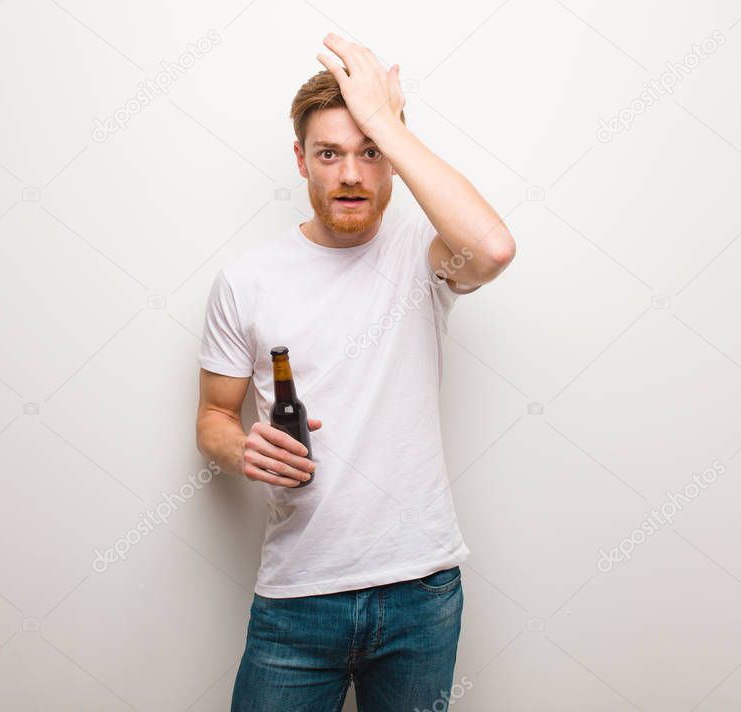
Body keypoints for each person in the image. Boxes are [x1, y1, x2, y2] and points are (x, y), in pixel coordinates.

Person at [195, 32, 516, 712]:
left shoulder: (424, 253)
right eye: (330, 154)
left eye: (370, 153)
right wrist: (240, 446)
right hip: (297, 599)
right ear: (301, 161)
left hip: (420, 593)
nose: (350, 174)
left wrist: (386, 124)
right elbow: (214, 419)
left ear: (393, 158)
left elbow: (493, 249)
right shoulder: (248, 280)